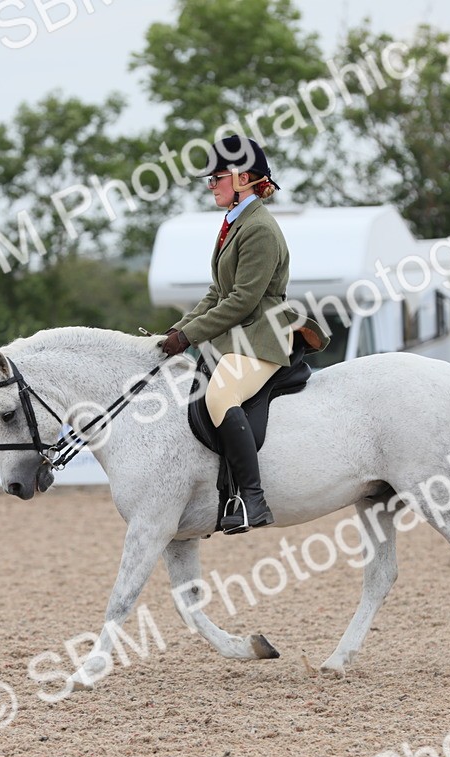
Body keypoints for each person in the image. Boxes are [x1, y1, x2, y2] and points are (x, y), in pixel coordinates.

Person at [158, 135, 327, 533]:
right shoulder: (234, 223)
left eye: (217, 177)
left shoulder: (261, 230)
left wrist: (190, 337)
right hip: (240, 335)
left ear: (243, 178)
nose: (210, 184)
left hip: (264, 334)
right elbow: (217, 293)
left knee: (220, 394)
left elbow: (242, 301)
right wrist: (177, 331)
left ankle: (253, 498)